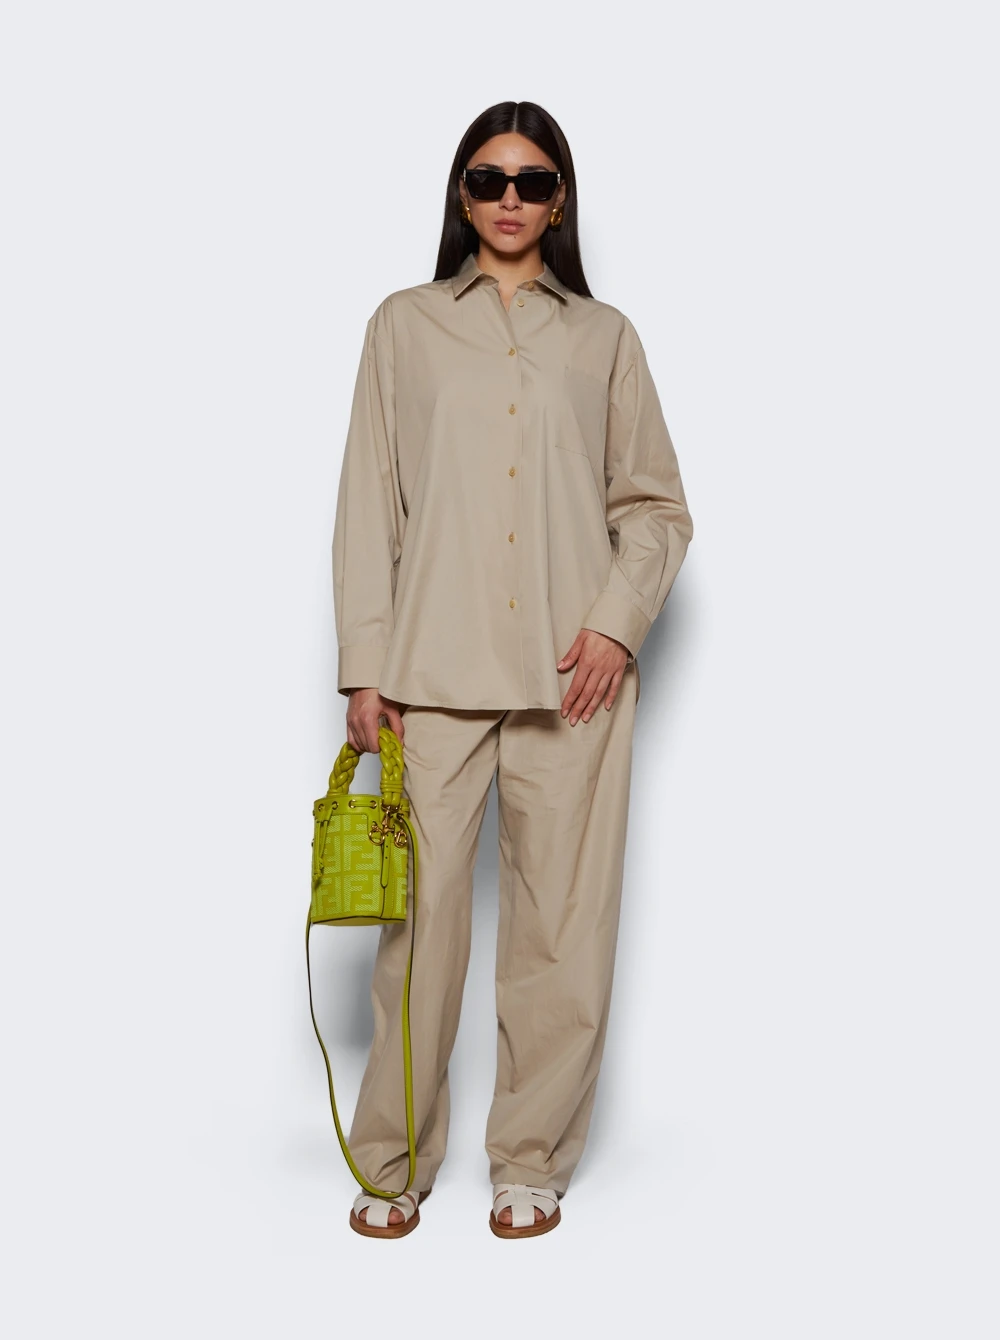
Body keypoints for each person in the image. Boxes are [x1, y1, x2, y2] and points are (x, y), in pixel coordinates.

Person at [330, 100, 694, 1239]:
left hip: (573, 679)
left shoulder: (604, 338)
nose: (509, 199)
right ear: (461, 192)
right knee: (419, 931)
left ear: (560, 200)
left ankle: (529, 1158)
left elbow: (655, 507)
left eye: (533, 181)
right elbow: (369, 502)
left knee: (562, 931)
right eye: (488, 178)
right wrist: (365, 666)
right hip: (429, 676)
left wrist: (616, 625)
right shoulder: (402, 327)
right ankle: (392, 1159)